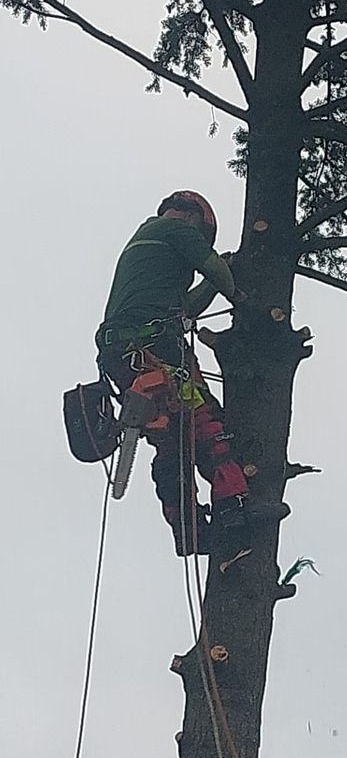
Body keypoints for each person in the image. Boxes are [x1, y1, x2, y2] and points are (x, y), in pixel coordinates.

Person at [95, 190, 250, 556]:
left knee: (172, 441)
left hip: (122, 356)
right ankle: (234, 505)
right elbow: (211, 265)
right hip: (156, 350)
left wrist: (215, 283)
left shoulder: (151, 251)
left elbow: (187, 308)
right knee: (205, 421)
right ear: (195, 219)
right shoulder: (175, 229)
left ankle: (188, 529)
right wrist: (242, 299)